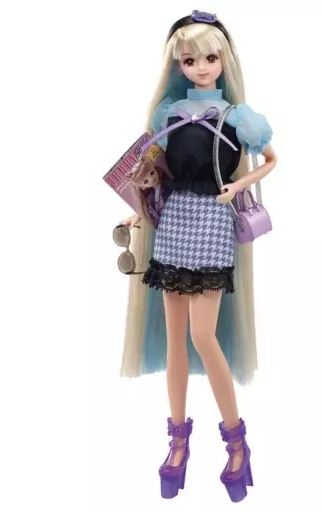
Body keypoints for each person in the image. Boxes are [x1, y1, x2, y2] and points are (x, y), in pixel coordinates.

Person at [117, 10, 277, 502]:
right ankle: (178, 439)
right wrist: (137, 215)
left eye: (210, 58)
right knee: (175, 340)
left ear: (224, 59)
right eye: (190, 60)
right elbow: (153, 175)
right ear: (178, 65)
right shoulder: (167, 114)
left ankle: (236, 441)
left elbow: (272, 160)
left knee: (203, 336)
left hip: (211, 220)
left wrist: (240, 185)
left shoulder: (238, 117)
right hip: (173, 221)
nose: (202, 67)